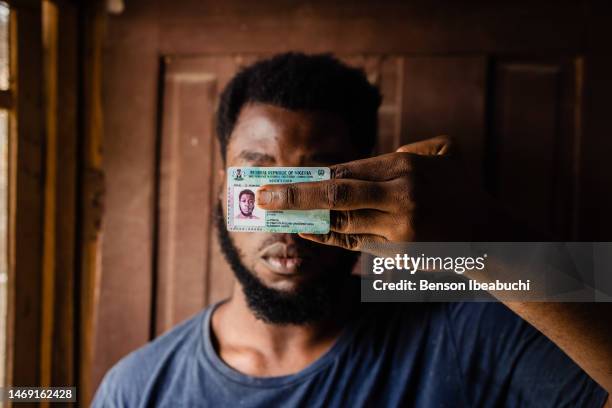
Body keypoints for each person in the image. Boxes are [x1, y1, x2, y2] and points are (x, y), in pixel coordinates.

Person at [92, 53, 611, 407]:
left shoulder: (460, 326)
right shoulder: (137, 389)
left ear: (362, 185)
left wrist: (486, 242)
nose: (288, 223)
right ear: (227, 187)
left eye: (319, 184)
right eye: (261, 177)